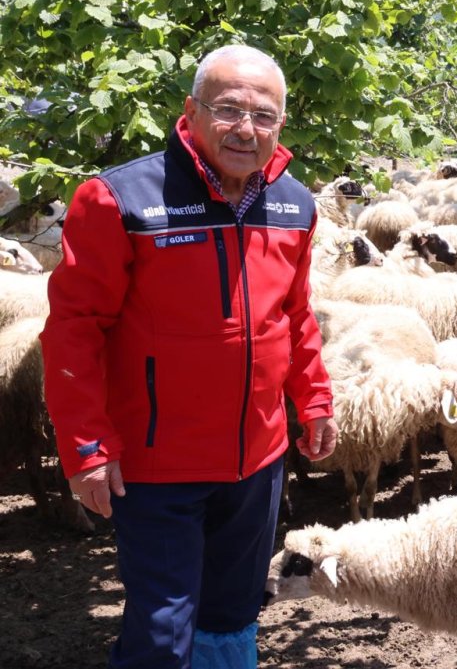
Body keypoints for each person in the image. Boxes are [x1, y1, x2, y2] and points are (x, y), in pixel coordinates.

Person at [41, 44, 338, 669]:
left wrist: (313, 400)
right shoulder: (120, 200)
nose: (246, 129)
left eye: (263, 115)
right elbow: (74, 331)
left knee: (232, 615)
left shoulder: (295, 204)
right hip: (157, 465)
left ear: (280, 124)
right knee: (162, 631)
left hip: (257, 460)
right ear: (191, 110)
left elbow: (293, 315)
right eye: (228, 109)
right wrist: (87, 447)